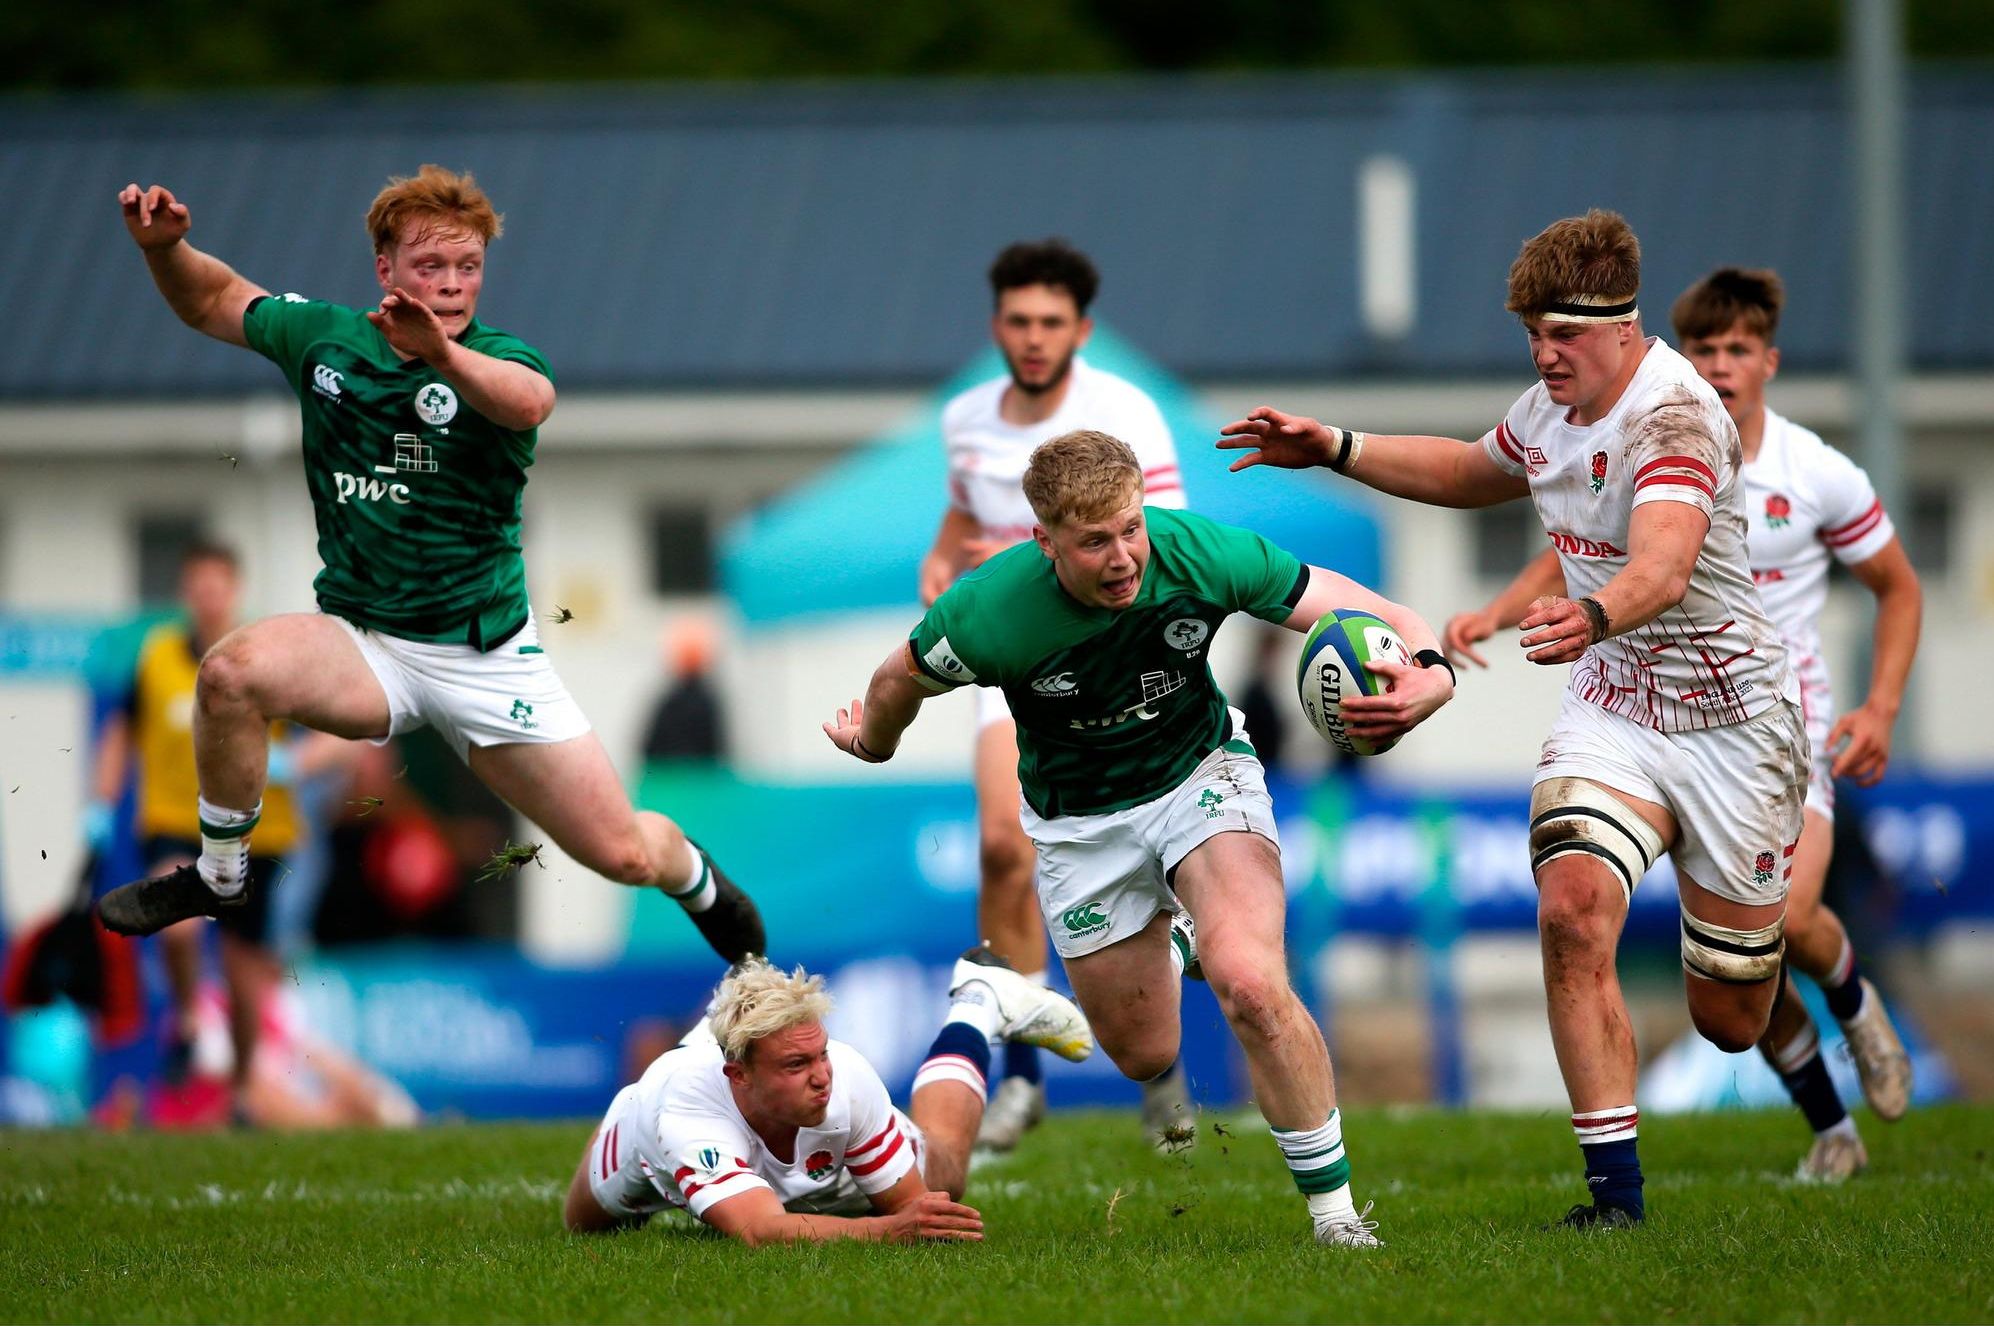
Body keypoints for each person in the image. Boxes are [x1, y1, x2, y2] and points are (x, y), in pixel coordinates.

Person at [1220, 210, 1809, 1230]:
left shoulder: (1671, 416)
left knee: (1726, 1017)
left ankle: (1798, 998)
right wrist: (1333, 446)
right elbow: (1468, 471)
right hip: (1614, 711)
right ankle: (1613, 1203)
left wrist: (1584, 611)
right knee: (1569, 910)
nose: (1542, 354)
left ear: (1621, 326)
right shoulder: (1550, 404)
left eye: (1561, 334)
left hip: (1731, 728)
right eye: (1530, 334)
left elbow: (1662, 567)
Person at [97, 168, 763, 967]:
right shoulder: (327, 342)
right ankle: (220, 875)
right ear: (385, 271)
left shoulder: (497, 358)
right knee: (230, 673)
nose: (451, 285)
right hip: (367, 642)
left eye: (468, 268)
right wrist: (165, 251)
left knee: (621, 854)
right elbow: (213, 298)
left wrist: (442, 353)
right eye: (430, 267)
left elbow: (530, 403)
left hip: (487, 659)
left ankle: (695, 878)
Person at [829, 429, 1458, 1247]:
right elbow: (894, 681)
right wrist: (873, 743)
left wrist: (1432, 674)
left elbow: (1377, 611)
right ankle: (1169, 944)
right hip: (1080, 825)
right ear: (1044, 542)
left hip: (1201, 774)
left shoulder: (1198, 553)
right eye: (1095, 542)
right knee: (1140, 1051)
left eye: (1131, 528)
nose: (1125, 556)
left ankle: (1337, 1220)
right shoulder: (992, 613)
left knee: (1252, 984)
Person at [1441, 267, 1921, 1183]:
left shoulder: (1814, 472)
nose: (1719, 367)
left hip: (1776, 729)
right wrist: (1499, 614)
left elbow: (1897, 586)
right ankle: (1826, 1127)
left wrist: (1883, 705)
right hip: (1630, 708)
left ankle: (1857, 1009)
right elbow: (1574, 541)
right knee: (1611, 929)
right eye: (1703, 349)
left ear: (1769, 362)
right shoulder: (1627, 428)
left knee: (1794, 924)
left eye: (1738, 350)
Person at [920, 239, 1189, 1152]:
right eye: (1018, 321)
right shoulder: (964, 418)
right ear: (996, 324)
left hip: (1120, 656)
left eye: (1051, 322)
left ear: (1082, 328)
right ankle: (1026, 1078)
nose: (1033, 339)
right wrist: (939, 557)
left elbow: (1160, 536)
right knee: (1003, 848)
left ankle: (1161, 1070)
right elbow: (965, 513)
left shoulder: (1126, 412)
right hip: (1017, 664)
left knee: (1147, 857)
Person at [562, 951, 1092, 1243]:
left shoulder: (847, 1078)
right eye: (796, 1064)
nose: (822, 1076)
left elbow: (917, 1214)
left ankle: (978, 999)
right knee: (584, 1228)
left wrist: (909, 1220)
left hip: (804, 1148)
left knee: (946, 1175)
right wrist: (886, 1231)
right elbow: (757, 1231)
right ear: (739, 1075)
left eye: (821, 1054)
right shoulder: (686, 1105)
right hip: (643, 1149)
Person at [86, 539, 352, 1115]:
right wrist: (100, 806)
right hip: (177, 821)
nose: (208, 597)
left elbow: (342, 734)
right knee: (178, 928)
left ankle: (239, 1089)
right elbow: (119, 733)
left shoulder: (263, 657)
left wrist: (292, 765)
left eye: (218, 585)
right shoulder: (156, 658)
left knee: (243, 974)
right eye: (198, 585)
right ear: (186, 591)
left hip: (260, 830)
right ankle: (185, 1019)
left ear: (234, 590)